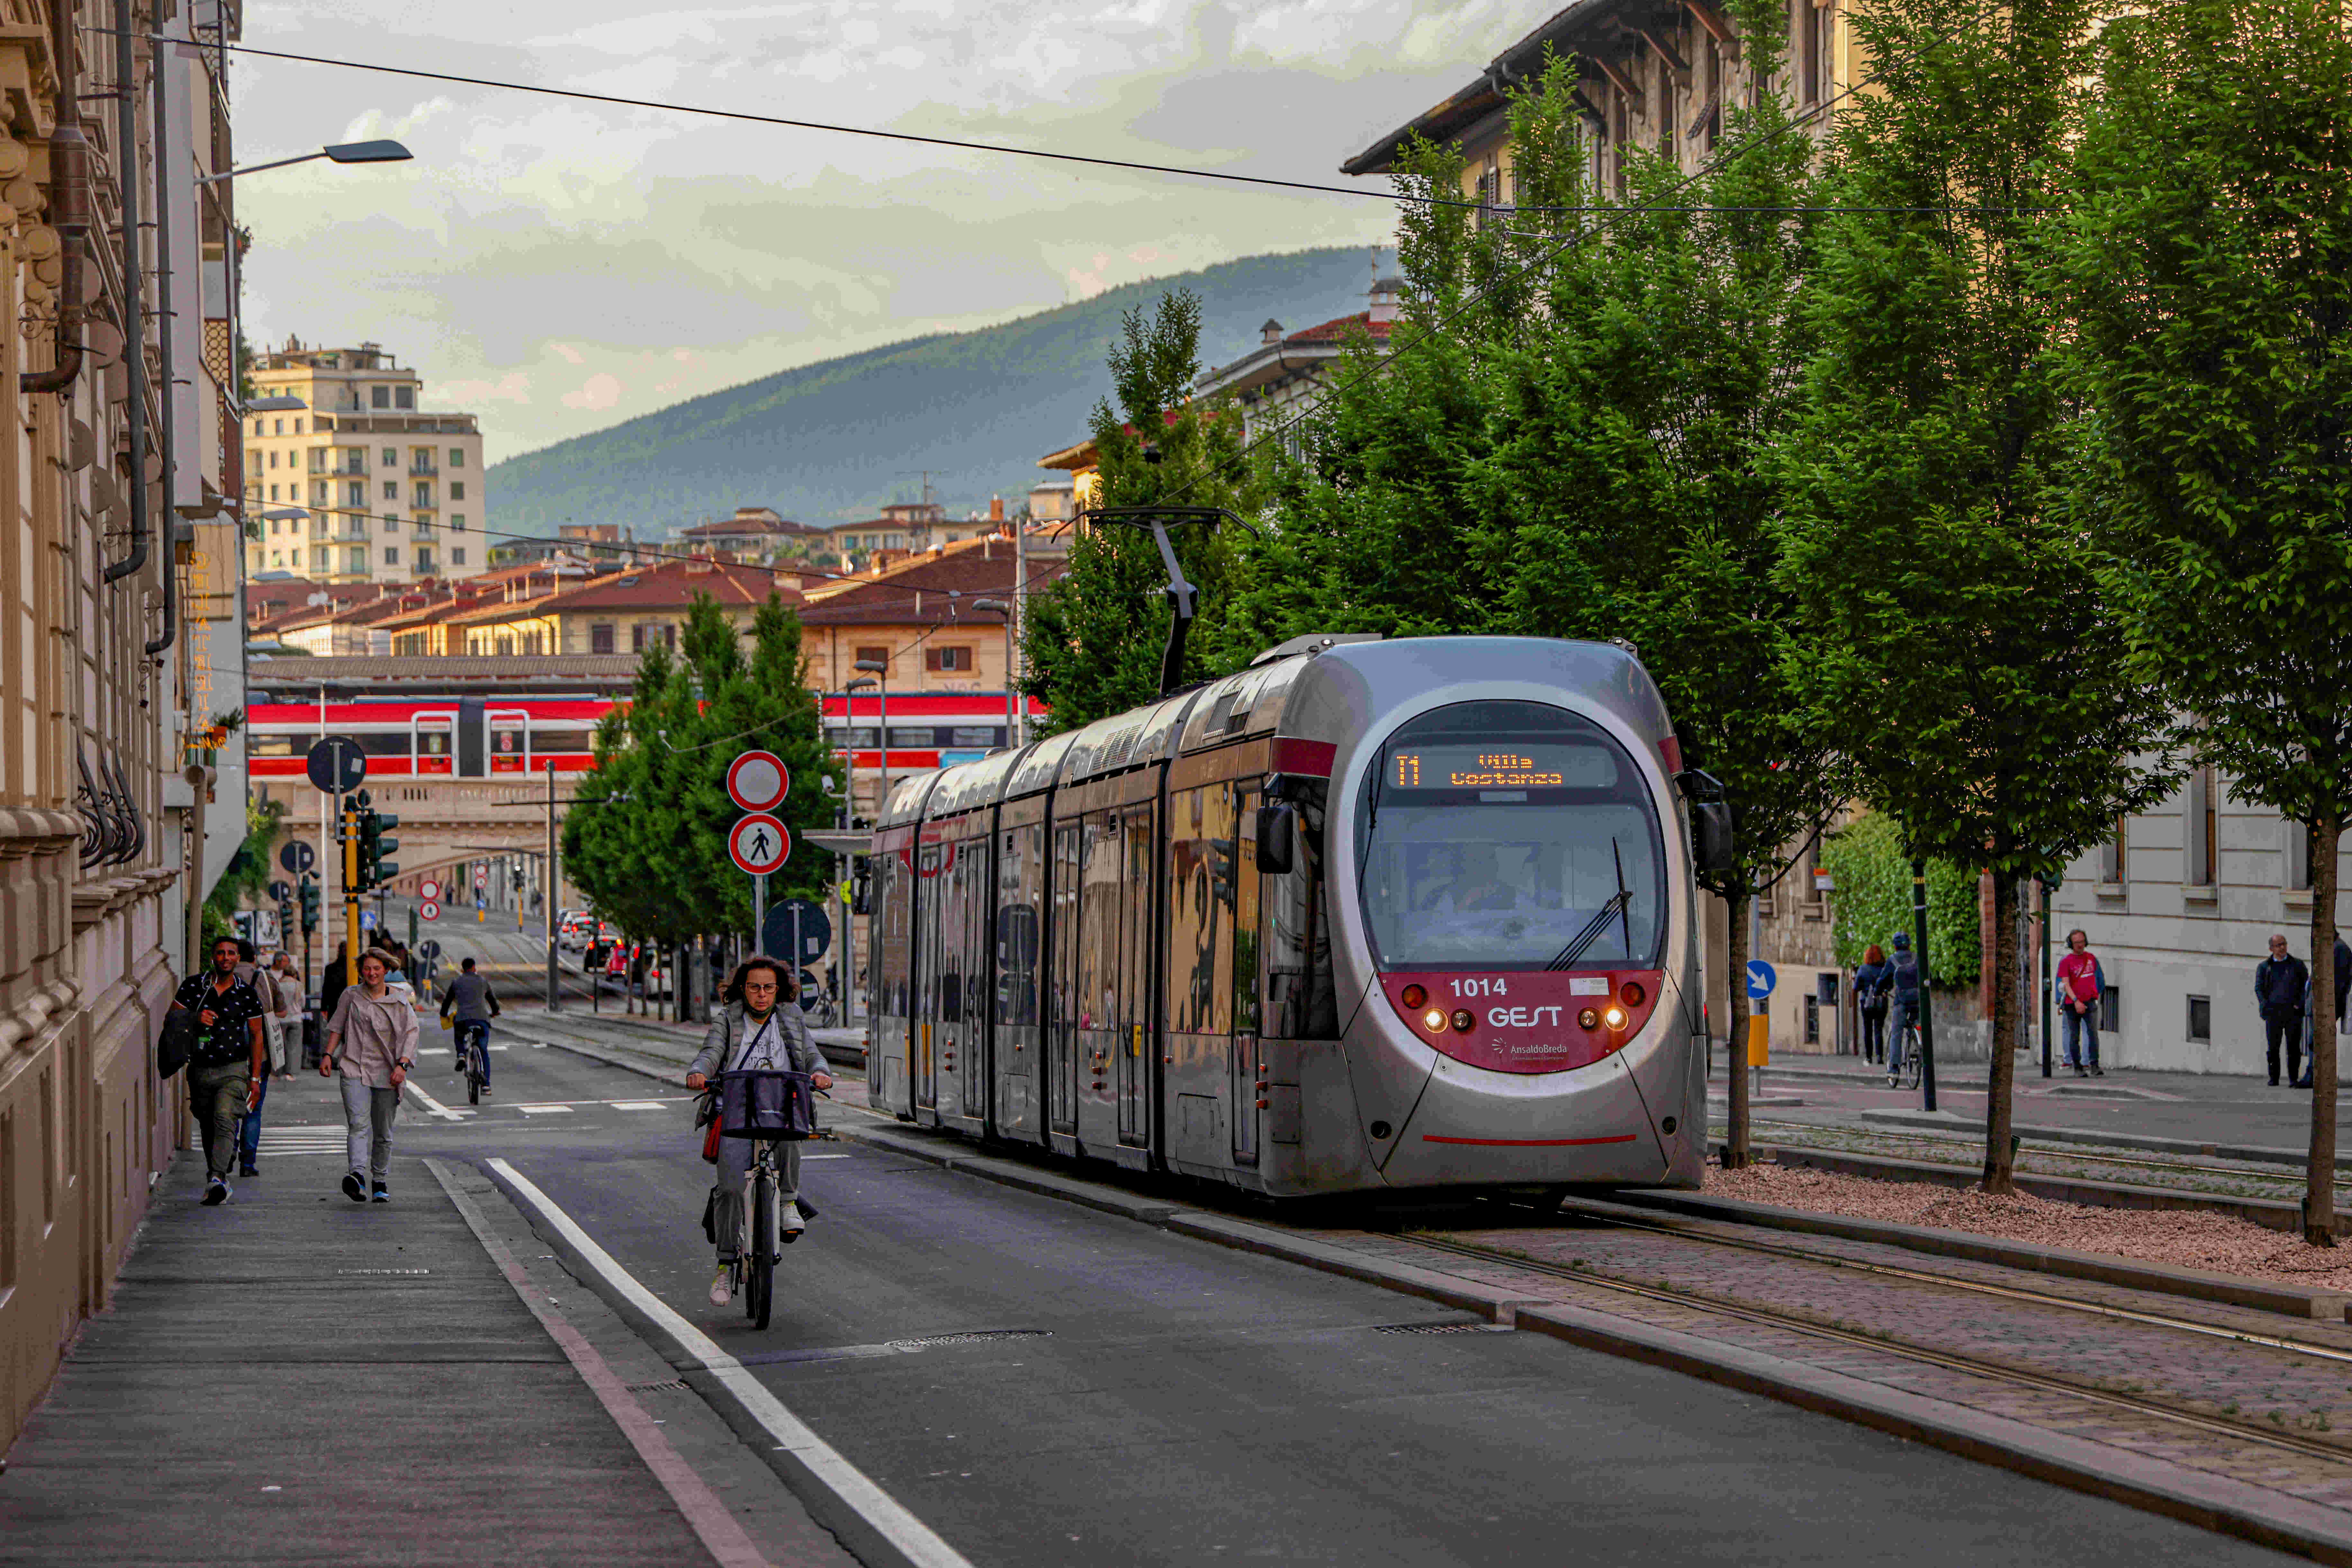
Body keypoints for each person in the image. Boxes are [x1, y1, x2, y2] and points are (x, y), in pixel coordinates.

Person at [686, 957, 832, 1308]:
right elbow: (711, 1053)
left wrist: (821, 1073)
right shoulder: (728, 1020)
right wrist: (698, 1071)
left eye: (769, 987)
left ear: (778, 990)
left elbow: (813, 1056)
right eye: (754, 987)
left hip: (780, 1103)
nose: (762, 994)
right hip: (735, 1107)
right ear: (743, 990)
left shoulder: (792, 1019)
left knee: (793, 1132)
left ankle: (788, 1203)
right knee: (732, 1188)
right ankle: (725, 1264)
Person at [172, 934, 267, 1205]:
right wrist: (195, 1017)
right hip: (200, 1068)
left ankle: (217, 1177)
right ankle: (217, 1175)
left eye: (231, 953)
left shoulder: (247, 992)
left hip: (234, 1069)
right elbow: (172, 1019)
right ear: (213, 957)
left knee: (225, 1117)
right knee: (208, 1124)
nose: (226, 958)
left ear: (238, 958)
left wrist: (255, 1078)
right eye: (221, 953)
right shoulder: (194, 987)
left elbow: (257, 1034)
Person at [320, 948, 419, 1203]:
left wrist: (402, 1065)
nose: (372, 973)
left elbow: (411, 1034)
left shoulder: (399, 1000)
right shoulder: (351, 996)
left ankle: (380, 1179)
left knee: (383, 1131)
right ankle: (357, 1176)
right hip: (353, 1066)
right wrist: (328, 1055)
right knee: (358, 1124)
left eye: (377, 969)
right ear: (361, 971)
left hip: (388, 1072)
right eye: (367, 969)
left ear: (386, 970)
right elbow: (337, 1026)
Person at [230, 939, 285, 1179]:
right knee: (254, 1108)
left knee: (227, 1106)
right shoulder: (264, 978)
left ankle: (227, 1152)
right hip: (258, 1054)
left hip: (228, 1054)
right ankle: (248, 1163)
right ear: (254, 958)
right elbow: (281, 1011)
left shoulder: (220, 977)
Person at [2257, 933, 2311, 1088]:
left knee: (2293, 1047)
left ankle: (2293, 1078)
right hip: (2273, 1013)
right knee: (2273, 1047)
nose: (2282, 948)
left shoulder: (2297, 965)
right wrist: (2265, 1004)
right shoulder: (2265, 967)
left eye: (2284, 944)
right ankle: (2274, 1078)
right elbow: (2259, 988)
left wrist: (2299, 1004)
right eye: (2279, 945)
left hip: (2292, 1013)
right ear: (2271, 948)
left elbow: (2306, 987)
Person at [440, 956, 500, 1094]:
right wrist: (495, 1012)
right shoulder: (483, 981)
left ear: (463, 969)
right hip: (482, 1020)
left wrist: (444, 1014)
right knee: (483, 1050)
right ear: (474, 968)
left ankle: (461, 1054)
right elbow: (492, 1000)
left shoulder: (456, 982)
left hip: (463, 1019)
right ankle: (486, 1085)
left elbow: (447, 1001)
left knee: (459, 1036)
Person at [2055, 929, 2105, 1078]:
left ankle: (2094, 1065)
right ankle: (2078, 1068)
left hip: (2090, 1001)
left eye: (2082, 942)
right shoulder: (2066, 962)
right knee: (2074, 1036)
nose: (2080, 945)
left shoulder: (2091, 959)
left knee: (2093, 1035)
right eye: (2076, 943)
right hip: (2073, 1004)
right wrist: (2076, 1001)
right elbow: (2066, 984)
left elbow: (2098, 978)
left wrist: (2096, 994)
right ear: (2071, 944)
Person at [1886, 931, 1924, 1086]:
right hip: (1918, 1000)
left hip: (1901, 1001)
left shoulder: (1892, 960)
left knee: (1897, 1032)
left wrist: (1878, 991)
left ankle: (1894, 1069)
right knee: (1920, 1027)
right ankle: (1921, 1054)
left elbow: (1884, 979)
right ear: (1909, 945)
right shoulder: (1917, 958)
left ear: (1895, 946)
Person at [1852, 944, 1891, 1065]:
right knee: (1879, 1028)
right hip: (1881, 1001)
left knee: (1867, 1029)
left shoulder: (1863, 969)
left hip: (1867, 1002)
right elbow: (1890, 985)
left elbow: (1856, 988)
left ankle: (1869, 1057)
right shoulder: (1885, 969)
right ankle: (1880, 1057)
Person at [267, 952, 303, 1080]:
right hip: (296, 1019)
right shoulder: (298, 985)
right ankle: (290, 1073)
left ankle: (277, 1072)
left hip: (281, 1019)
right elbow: (302, 1002)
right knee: (294, 1047)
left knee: (279, 1047)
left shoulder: (279, 984)